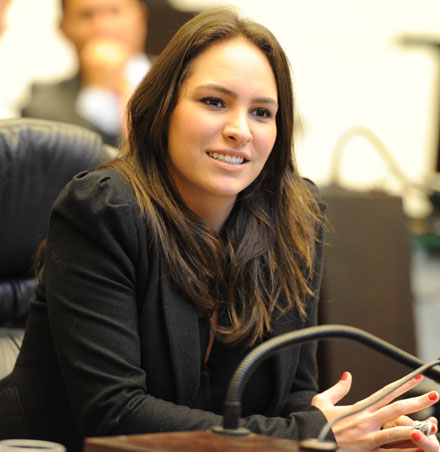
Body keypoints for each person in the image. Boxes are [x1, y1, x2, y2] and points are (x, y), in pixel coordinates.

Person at [0, 7, 438, 452]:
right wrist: (314, 434)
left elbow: (292, 396)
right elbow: (116, 416)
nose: (239, 130)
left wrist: (361, 435)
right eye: (214, 102)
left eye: (262, 112)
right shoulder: (104, 210)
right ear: (164, 107)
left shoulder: (295, 220)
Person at [20, 0, 149, 146]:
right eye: (86, 15)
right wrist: (100, 93)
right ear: (64, 27)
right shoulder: (44, 106)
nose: (103, 27)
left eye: (114, 11)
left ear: (142, 16)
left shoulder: (171, 82)